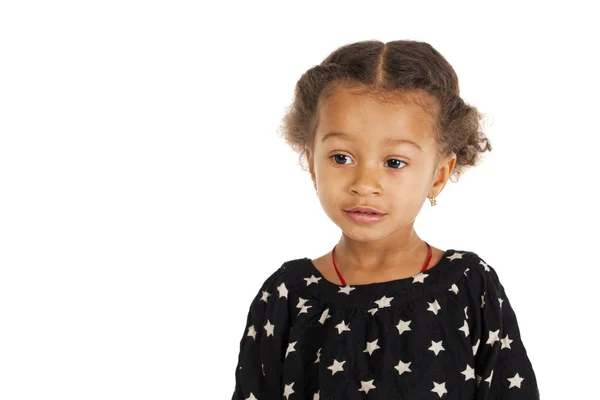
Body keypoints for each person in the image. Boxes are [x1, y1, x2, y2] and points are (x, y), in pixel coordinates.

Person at [231, 40, 539, 399]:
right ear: (311, 162)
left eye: (395, 163)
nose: (364, 185)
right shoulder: (284, 296)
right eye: (341, 158)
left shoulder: (469, 287)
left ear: (438, 175)